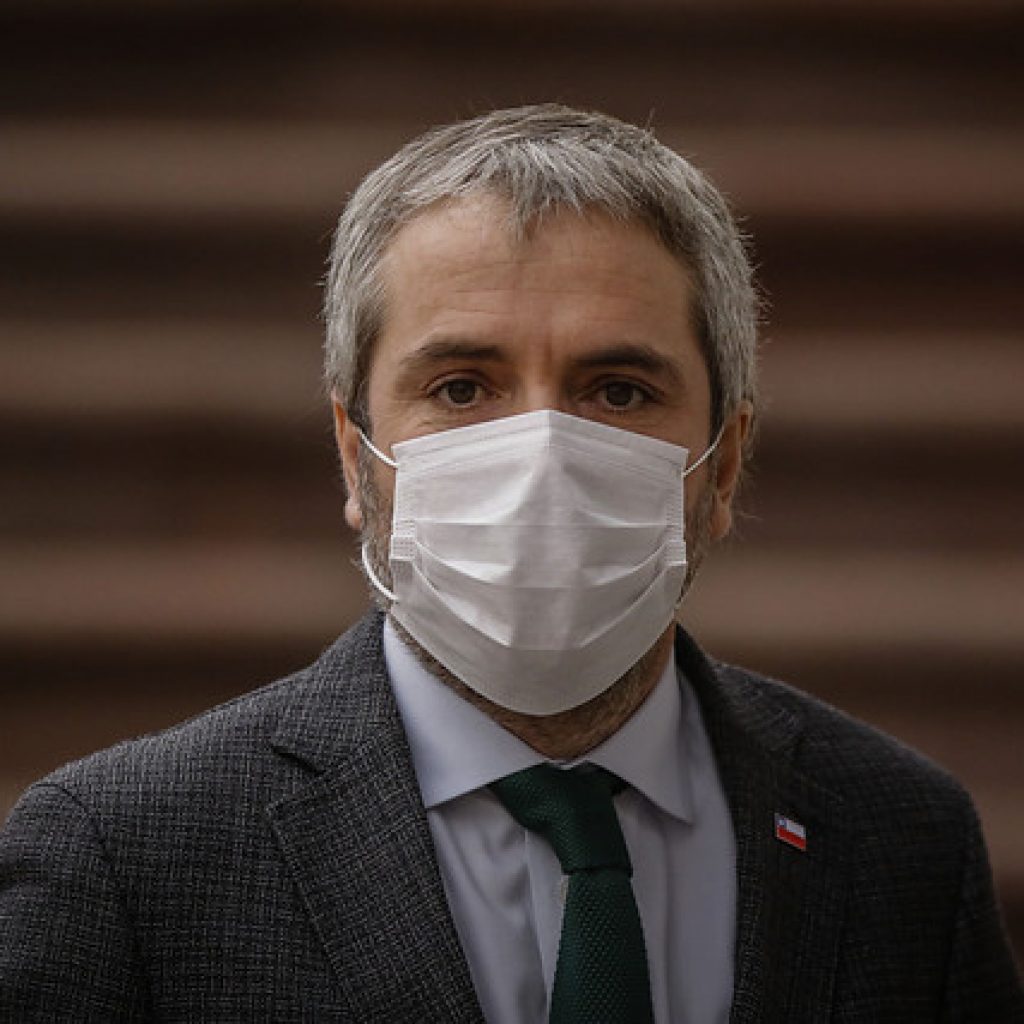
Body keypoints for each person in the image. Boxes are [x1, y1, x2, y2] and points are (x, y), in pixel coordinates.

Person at [1, 104, 1020, 1023]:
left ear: (722, 465)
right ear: (357, 457)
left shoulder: (902, 838)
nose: (542, 458)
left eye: (617, 391)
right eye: (460, 388)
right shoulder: (123, 857)